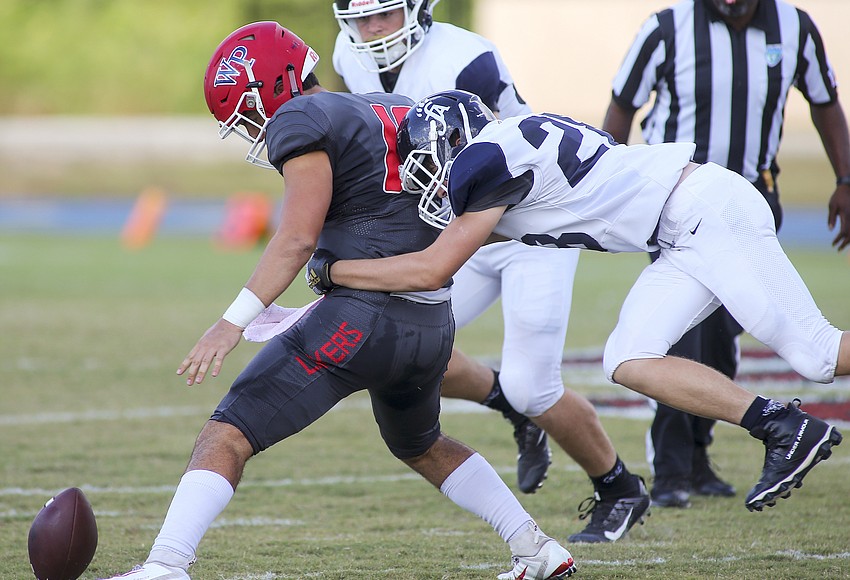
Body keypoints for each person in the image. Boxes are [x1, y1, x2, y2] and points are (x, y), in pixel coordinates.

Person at [100, 24, 576, 580]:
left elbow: (296, 238)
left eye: (247, 113)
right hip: (430, 321)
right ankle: (536, 548)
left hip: (361, 319)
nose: (252, 128)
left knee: (227, 433)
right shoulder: (397, 106)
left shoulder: (301, 116)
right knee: (421, 445)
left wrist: (230, 324)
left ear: (273, 86)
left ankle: (166, 564)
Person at [307, 89, 845, 517]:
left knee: (820, 355)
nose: (434, 181)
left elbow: (432, 268)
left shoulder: (485, 159)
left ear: (456, 140)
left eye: (431, 163)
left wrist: (333, 270)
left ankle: (787, 427)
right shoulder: (508, 147)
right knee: (628, 359)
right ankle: (781, 425)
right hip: (681, 230)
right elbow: (446, 249)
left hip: (709, 214)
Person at [331, 0, 650, 542]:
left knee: (533, 387)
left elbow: (500, 150)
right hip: (454, 221)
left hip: (523, 225)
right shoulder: (349, 54)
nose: (373, 28)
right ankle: (510, 408)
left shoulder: (465, 58)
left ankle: (619, 487)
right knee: (400, 345)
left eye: (385, 13)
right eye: (361, 17)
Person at [601, 0, 850, 508]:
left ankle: (697, 457)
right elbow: (623, 103)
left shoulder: (795, 27)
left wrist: (845, 178)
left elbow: (825, 101)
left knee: (723, 341)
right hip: (674, 208)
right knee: (668, 343)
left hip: (748, 204)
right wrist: (612, 187)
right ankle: (673, 469)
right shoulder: (666, 29)